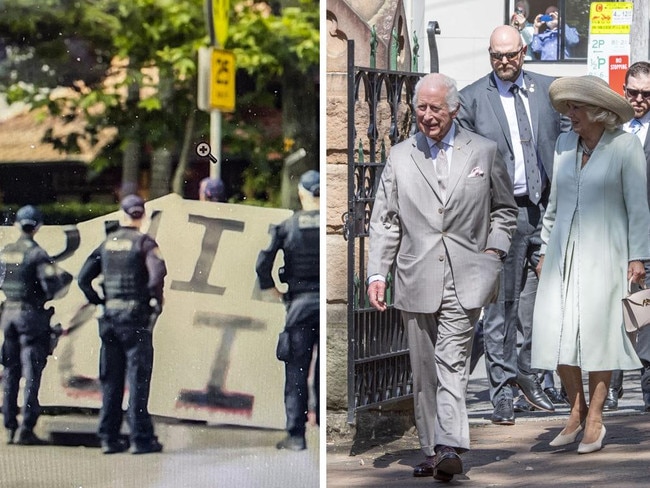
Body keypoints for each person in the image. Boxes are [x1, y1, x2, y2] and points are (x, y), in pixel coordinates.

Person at [366, 72, 517, 481]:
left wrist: (494, 251)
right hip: (415, 276)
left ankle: (450, 445)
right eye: (421, 108)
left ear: (454, 110)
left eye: (436, 108)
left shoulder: (483, 152)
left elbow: (505, 208)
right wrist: (377, 273)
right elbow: (385, 221)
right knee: (424, 371)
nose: (427, 116)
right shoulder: (399, 156)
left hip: (467, 277)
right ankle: (433, 450)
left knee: (451, 362)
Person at [532, 75, 649, 454]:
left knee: (599, 335)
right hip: (562, 253)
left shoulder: (625, 146)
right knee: (557, 331)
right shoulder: (565, 144)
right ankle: (575, 410)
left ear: (599, 112)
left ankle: (595, 420)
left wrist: (637, 257)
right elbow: (553, 205)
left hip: (608, 253)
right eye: (568, 106)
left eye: (577, 106)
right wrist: (544, 249)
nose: (570, 114)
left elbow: (638, 207)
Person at [457, 24, 566, 425]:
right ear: (489, 55)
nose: (505, 63)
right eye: (497, 56)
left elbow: (566, 144)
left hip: (546, 209)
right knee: (501, 308)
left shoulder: (549, 91)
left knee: (536, 304)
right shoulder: (471, 100)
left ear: (524, 52)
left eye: (511, 55)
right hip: (502, 213)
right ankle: (501, 391)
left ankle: (528, 375)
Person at [78, 194, 167, 455]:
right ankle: (140, 438)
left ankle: (109, 437)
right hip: (135, 318)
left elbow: (83, 279)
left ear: (121, 214)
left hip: (109, 318)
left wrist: (100, 301)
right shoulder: (145, 242)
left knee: (111, 379)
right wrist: (154, 301)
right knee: (138, 379)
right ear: (143, 216)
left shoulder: (106, 243)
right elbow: (157, 274)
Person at [255, 169, 320, 451]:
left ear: (302, 194)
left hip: (299, 304)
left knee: (296, 368)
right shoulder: (332, 223)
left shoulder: (287, 226)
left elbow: (262, 264)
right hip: (326, 304)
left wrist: (275, 291)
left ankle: (296, 435)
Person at [0, 205, 71, 445]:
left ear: (17, 225)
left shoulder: (6, 251)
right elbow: (52, 286)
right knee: (31, 373)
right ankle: (26, 428)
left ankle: (9, 427)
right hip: (30, 316)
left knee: (10, 372)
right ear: (38, 226)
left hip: (8, 314)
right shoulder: (38, 254)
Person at [606, 61, 650, 412]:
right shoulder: (611, 129)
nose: (638, 99)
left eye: (646, 94)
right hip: (614, 236)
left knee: (647, 313)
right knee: (615, 311)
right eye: (632, 92)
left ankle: (648, 391)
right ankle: (611, 388)